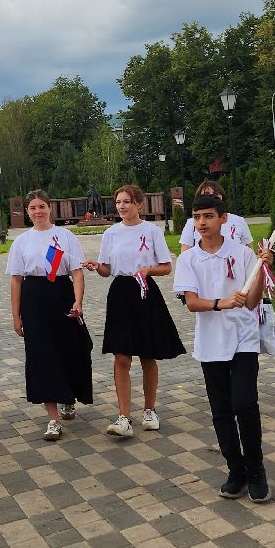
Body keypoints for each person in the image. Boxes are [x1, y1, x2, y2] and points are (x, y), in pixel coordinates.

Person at [173, 192, 272, 503]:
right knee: (221, 411)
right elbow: (191, 303)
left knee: (244, 404)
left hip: (244, 338)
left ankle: (256, 471)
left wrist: (261, 269)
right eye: (197, 217)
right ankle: (236, 470)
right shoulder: (189, 259)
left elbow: (254, 300)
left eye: (208, 217)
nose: (202, 223)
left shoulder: (241, 254)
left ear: (222, 219)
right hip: (211, 343)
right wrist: (222, 303)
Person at [91, 186, 185, 438]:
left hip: (145, 292)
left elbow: (166, 267)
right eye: (118, 202)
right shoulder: (110, 233)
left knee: (147, 354)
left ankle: (149, 410)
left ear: (139, 205)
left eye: (127, 202)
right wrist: (96, 266)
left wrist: (147, 271)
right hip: (120, 292)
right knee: (121, 356)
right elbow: (106, 269)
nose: (121, 207)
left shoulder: (152, 231)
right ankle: (123, 417)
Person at [7, 190, 93, 441]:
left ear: (49, 208)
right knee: (41, 355)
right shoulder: (21, 242)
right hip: (34, 299)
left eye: (42, 206)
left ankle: (69, 397)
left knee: (70, 350)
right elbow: (16, 281)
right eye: (33, 208)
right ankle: (52, 419)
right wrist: (16, 315)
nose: (38, 211)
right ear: (27, 212)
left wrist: (78, 301)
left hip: (62, 295)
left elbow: (76, 272)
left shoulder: (65, 236)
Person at [178, 180, 252, 253]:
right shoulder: (191, 223)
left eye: (216, 194)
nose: (211, 196)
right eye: (206, 194)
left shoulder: (238, 221)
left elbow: (249, 251)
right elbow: (185, 253)